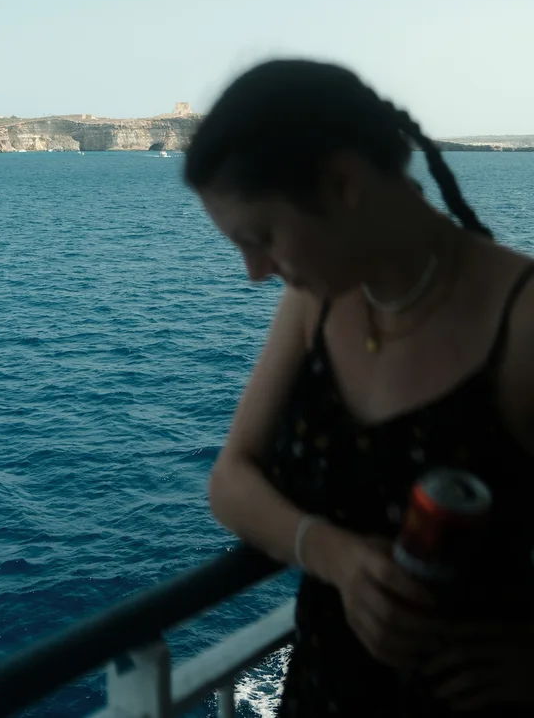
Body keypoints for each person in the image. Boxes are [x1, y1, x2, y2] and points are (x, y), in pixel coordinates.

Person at [183, 60, 534, 717]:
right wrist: (336, 555)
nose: (256, 273)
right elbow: (231, 478)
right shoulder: (315, 302)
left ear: (344, 184)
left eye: (261, 239)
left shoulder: (520, 327)